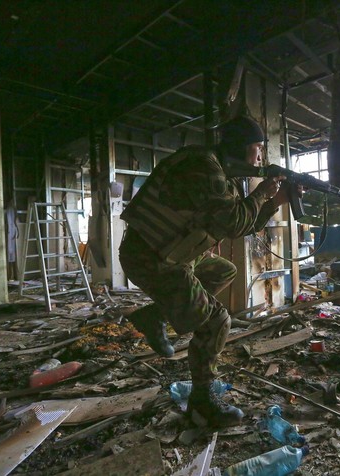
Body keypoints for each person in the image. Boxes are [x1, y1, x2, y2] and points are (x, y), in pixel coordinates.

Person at [119, 115, 291, 427]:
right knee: (217, 321)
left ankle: (155, 315)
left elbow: (242, 224)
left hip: (173, 254)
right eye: (257, 148)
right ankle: (202, 400)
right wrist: (262, 194)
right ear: (241, 147)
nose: (260, 157)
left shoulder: (220, 170)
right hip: (151, 257)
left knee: (223, 271)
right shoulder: (203, 167)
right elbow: (233, 222)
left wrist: (273, 202)